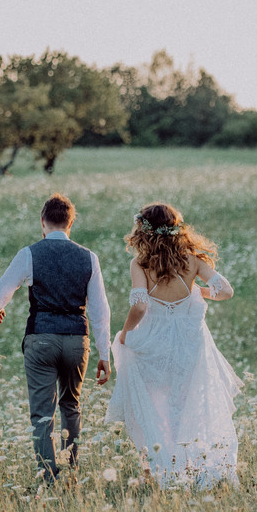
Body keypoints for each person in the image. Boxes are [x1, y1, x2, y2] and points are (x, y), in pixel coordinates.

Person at [105, 202, 243, 489]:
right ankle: (194, 464)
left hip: (155, 345)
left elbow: (141, 306)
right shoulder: (192, 260)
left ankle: (166, 466)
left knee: (158, 405)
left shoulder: (141, 264)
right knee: (188, 402)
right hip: (190, 345)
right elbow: (226, 291)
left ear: (143, 232)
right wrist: (200, 290)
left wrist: (125, 334)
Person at [0, 194, 112, 484]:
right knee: (71, 405)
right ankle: (72, 469)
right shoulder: (88, 257)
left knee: (42, 413)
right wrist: (104, 354)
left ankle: (49, 477)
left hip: (41, 338)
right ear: (70, 224)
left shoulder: (29, 254)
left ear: (42, 223)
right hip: (77, 339)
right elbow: (100, 310)